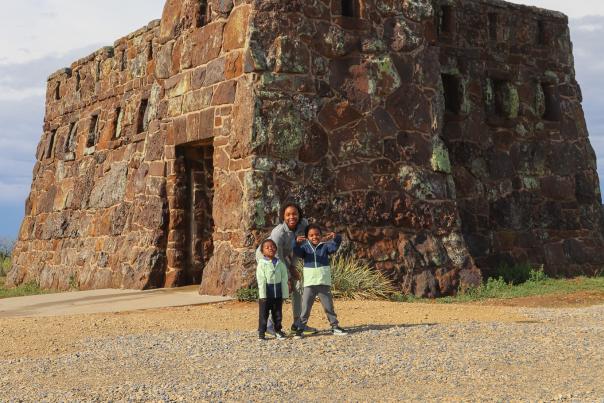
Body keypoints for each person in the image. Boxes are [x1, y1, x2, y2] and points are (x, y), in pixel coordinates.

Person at [255, 202, 318, 336]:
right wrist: (287, 277)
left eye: (294, 214)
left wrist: (294, 267)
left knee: (297, 286)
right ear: (283, 217)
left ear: (299, 214)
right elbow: (276, 257)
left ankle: (298, 323)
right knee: (276, 288)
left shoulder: (304, 225)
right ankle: (269, 325)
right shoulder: (278, 232)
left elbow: (301, 247)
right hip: (268, 257)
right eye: (288, 214)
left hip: (284, 257)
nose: (291, 217)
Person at [293, 223, 348, 336]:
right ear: (307, 237)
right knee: (305, 308)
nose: (314, 237)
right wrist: (296, 243)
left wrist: (336, 237)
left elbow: (334, 246)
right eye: (311, 235)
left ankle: (335, 326)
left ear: (321, 235)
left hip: (323, 282)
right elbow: (297, 252)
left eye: (317, 234)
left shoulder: (325, 246)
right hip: (309, 283)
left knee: (329, 307)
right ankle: (300, 328)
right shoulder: (304, 248)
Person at [256, 239, 289, 340]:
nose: (271, 248)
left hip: (277, 294)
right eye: (267, 247)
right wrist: (263, 296)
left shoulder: (280, 264)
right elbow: (261, 280)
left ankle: (278, 331)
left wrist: (284, 295)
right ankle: (261, 333)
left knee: (277, 314)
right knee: (263, 314)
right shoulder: (262, 264)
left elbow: (284, 279)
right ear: (262, 252)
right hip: (266, 295)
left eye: (273, 246)